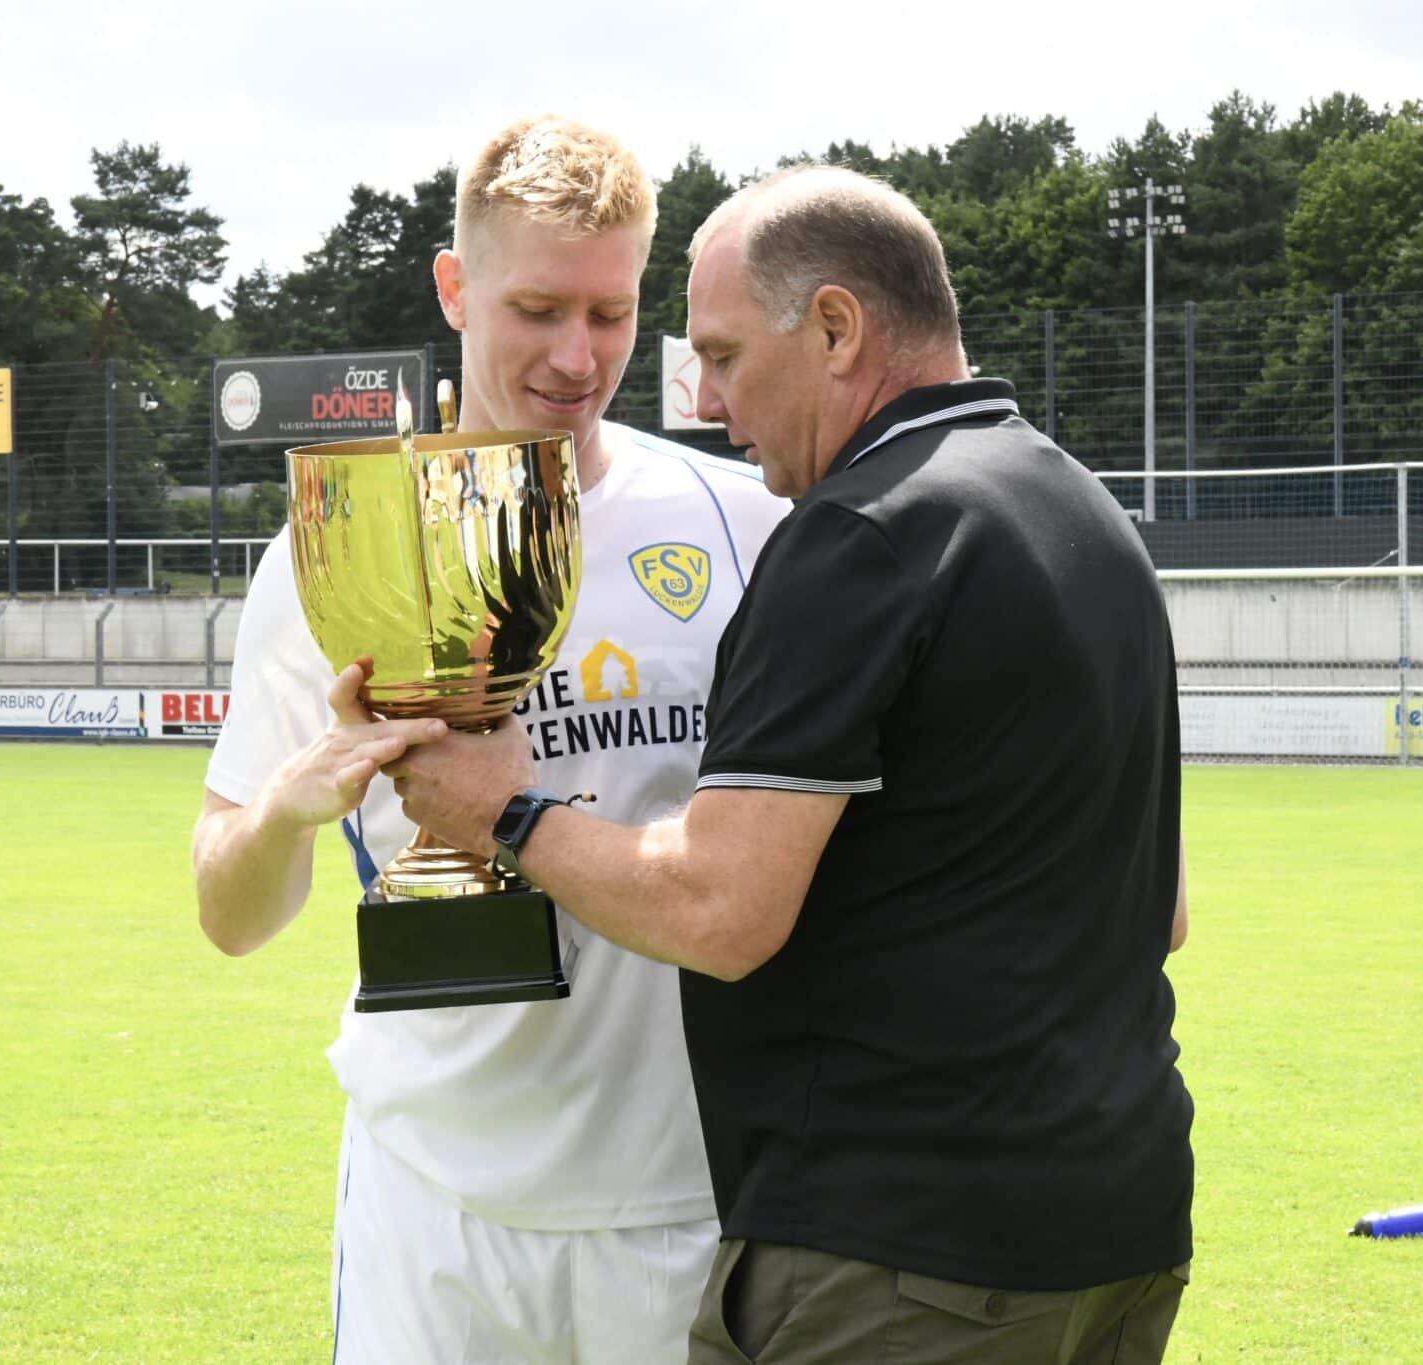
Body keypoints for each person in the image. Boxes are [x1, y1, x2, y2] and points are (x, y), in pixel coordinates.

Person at [390, 164, 1194, 1365]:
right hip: (1115, 1224)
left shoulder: (857, 536)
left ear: (833, 327)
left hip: (902, 1258)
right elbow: (1164, 913)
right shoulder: (1078, 509)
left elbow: (721, 910)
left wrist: (502, 809)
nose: (705, 401)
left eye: (718, 353)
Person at [190, 116, 788, 1364]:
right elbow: (230, 912)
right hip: (434, 1204)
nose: (579, 356)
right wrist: (293, 806)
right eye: (537, 309)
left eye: (611, 313)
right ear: (455, 287)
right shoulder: (331, 551)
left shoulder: (741, 524)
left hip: (684, 1201)